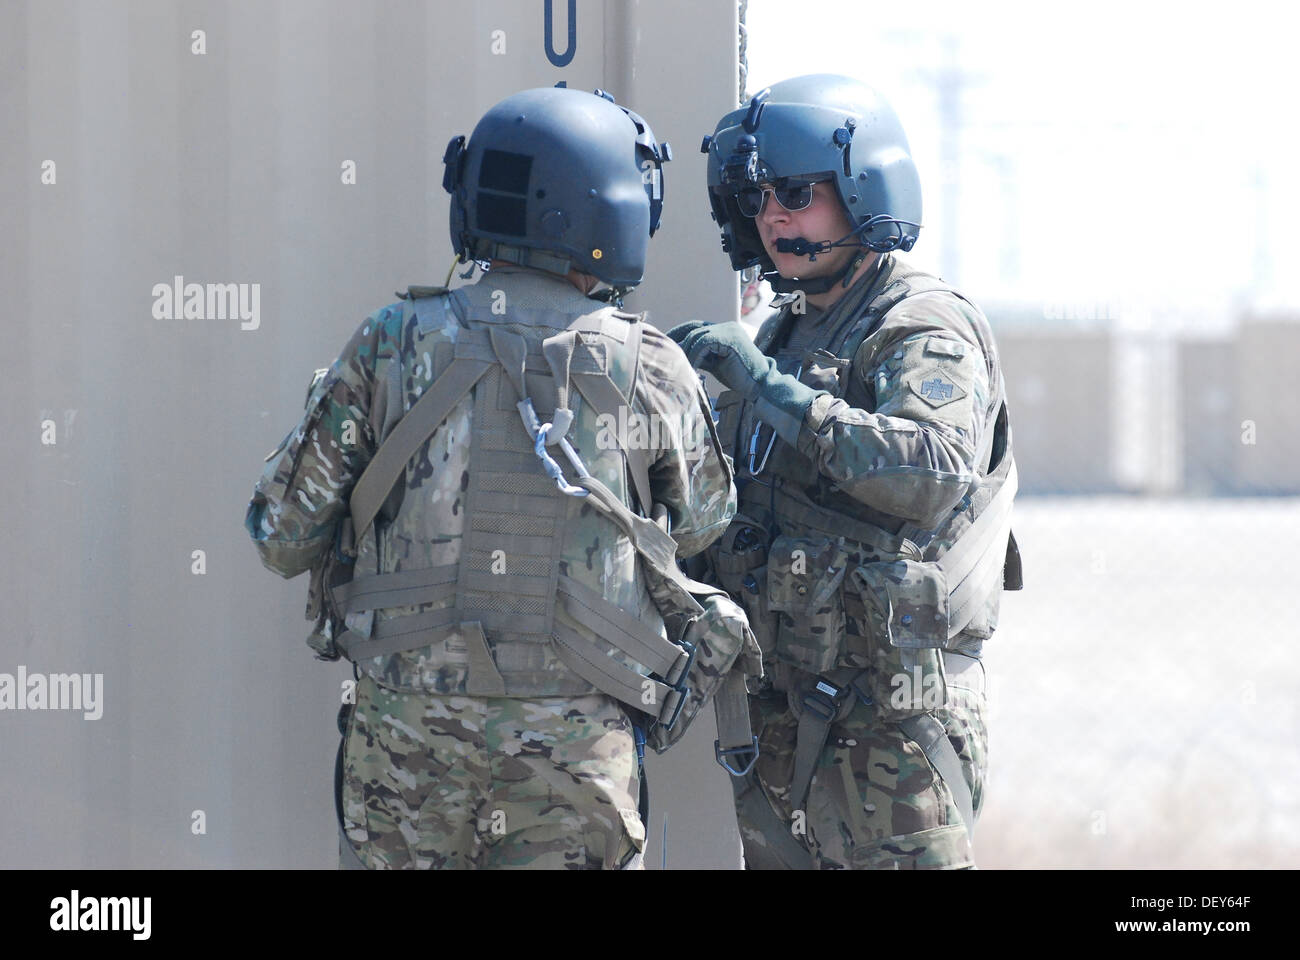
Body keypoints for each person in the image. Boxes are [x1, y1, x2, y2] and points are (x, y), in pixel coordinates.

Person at [244, 86, 744, 869]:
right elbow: (706, 522)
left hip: (407, 756)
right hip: (574, 759)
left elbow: (281, 536)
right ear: (611, 212)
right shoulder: (650, 366)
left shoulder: (390, 342)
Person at [672, 74, 1023, 870]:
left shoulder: (920, 321)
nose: (774, 217)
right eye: (757, 198)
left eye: (797, 192)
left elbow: (932, 470)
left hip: (889, 728)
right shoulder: (785, 332)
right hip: (780, 717)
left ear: (863, 187)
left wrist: (765, 386)